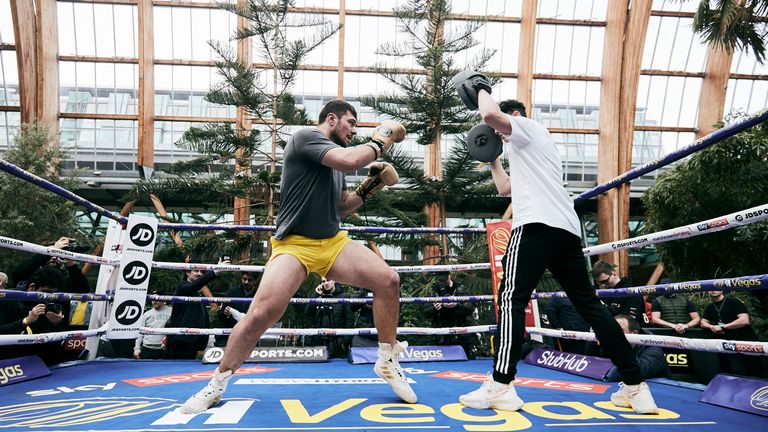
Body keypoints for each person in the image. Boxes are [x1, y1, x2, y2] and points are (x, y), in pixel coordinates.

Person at [180, 100, 415, 414]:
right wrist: (382, 136)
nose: (354, 130)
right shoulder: (306, 138)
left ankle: (387, 360)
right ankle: (216, 384)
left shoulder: (335, 163)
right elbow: (350, 160)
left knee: (388, 280)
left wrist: (371, 187)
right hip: (294, 246)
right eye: (351, 123)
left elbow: (342, 207)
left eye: (358, 126)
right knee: (262, 313)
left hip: (331, 242)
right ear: (331, 119)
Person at [451, 71, 657, 414]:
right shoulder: (531, 150)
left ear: (514, 117)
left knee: (511, 299)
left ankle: (501, 385)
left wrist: (482, 89)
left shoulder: (526, 127)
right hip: (565, 230)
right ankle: (635, 386)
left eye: (503, 128)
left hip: (535, 227)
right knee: (590, 305)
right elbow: (505, 189)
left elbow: (490, 115)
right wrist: (492, 158)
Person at [165, 258, 229, 359]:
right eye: (196, 270)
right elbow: (195, 285)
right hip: (181, 340)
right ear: (187, 272)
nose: (199, 273)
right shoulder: (183, 287)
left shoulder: (196, 291)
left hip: (192, 340)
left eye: (201, 271)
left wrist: (203, 339)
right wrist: (214, 272)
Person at [700, 290, 762, 376]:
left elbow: (744, 320)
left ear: (722, 290)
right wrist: (711, 327)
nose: (713, 290)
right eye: (710, 289)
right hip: (728, 344)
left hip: (746, 341)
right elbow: (703, 322)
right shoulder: (710, 307)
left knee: (755, 370)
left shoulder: (734, 302)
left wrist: (723, 327)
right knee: (735, 371)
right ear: (707, 292)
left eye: (715, 288)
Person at [424, 272, 476, 358]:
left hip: (460, 333)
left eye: (444, 279)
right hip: (440, 335)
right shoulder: (434, 290)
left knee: (464, 365)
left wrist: (457, 304)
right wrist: (435, 308)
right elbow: (426, 313)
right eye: (440, 280)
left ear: (450, 275)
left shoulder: (461, 288)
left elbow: (470, 309)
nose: (442, 282)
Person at [604, 315, 670, 382]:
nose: (612, 333)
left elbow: (638, 372)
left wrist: (619, 347)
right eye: (611, 329)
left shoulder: (653, 349)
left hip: (654, 388)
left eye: (619, 330)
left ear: (634, 333)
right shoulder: (606, 343)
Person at [305, 278, 354, 358]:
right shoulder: (319, 297)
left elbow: (350, 320)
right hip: (319, 342)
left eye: (328, 280)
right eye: (323, 281)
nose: (326, 283)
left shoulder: (344, 296)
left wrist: (344, 343)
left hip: (337, 341)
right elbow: (307, 313)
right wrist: (316, 294)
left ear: (334, 280)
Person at [592, 261, 647, 326]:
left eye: (605, 281)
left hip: (632, 333)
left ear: (614, 274)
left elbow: (629, 323)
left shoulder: (631, 292)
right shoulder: (605, 292)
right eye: (599, 283)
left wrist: (603, 305)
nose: (603, 285)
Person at [215, 272, 261, 347]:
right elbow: (220, 314)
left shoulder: (259, 295)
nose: (246, 282)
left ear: (255, 281)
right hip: (229, 335)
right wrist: (225, 312)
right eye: (244, 279)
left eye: (250, 280)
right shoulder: (232, 292)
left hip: (249, 335)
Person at [134, 290, 173, 359]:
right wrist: (137, 349)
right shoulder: (146, 314)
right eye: (153, 299)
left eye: (157, 299)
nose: (154, 301)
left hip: (165, 348)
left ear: (163, 299)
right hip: (147, 348)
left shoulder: (172, 312)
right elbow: (140, 333)